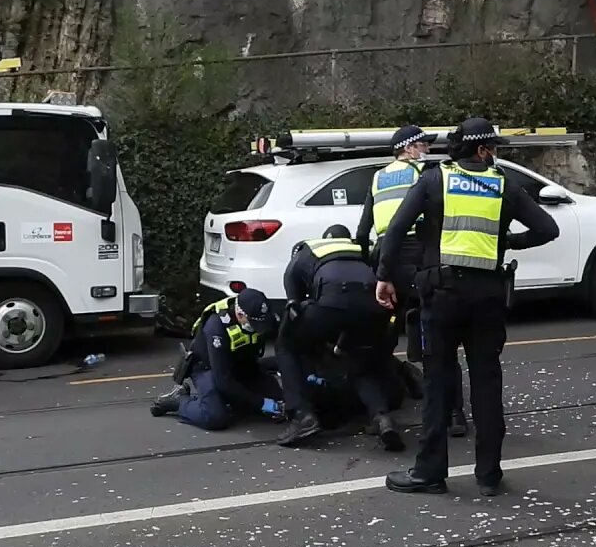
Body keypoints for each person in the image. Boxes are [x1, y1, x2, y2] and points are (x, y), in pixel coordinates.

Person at [377, 117, 560, 497]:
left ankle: (430, 473)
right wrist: (505, 243)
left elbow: (395, 230)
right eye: (493, 147)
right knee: (487, 384)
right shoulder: (503, 185)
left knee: (438, 383)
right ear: (482, 149)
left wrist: (384, 277)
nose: (495, 154)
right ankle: (489, 473)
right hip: (488, 298)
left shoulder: (433, 180)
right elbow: (547, 229)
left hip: (441, 297)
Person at [356, 124, 469, 436]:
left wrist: (376, 272)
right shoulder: (427, 173)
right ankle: (455, 414)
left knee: (380, 340)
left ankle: (379, 414)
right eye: (422, 145)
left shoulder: (378, 177)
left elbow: (362, 231)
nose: (427, 150)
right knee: (440, 339)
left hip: (387, 263)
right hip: (419, 258)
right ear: (408, 148)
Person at [276, 225, 406, 451]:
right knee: (360, 362)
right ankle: (381, 417)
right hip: (372, 303)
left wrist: (294, 305)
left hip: (332, 300)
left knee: (286, 345)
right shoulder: (358, 248)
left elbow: (292, 287)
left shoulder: (308, 248)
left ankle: (301, 414)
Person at [150, 288, 283, 430]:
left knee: (278, 397)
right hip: (208, 368)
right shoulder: (217, 327)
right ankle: (179, 401)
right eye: (254, 325)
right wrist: (262, 403)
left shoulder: (261, 318)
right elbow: (223, 381)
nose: (259, 329)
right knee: (215, 417)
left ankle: (230, 401)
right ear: (240, 314)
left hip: (240, 365)